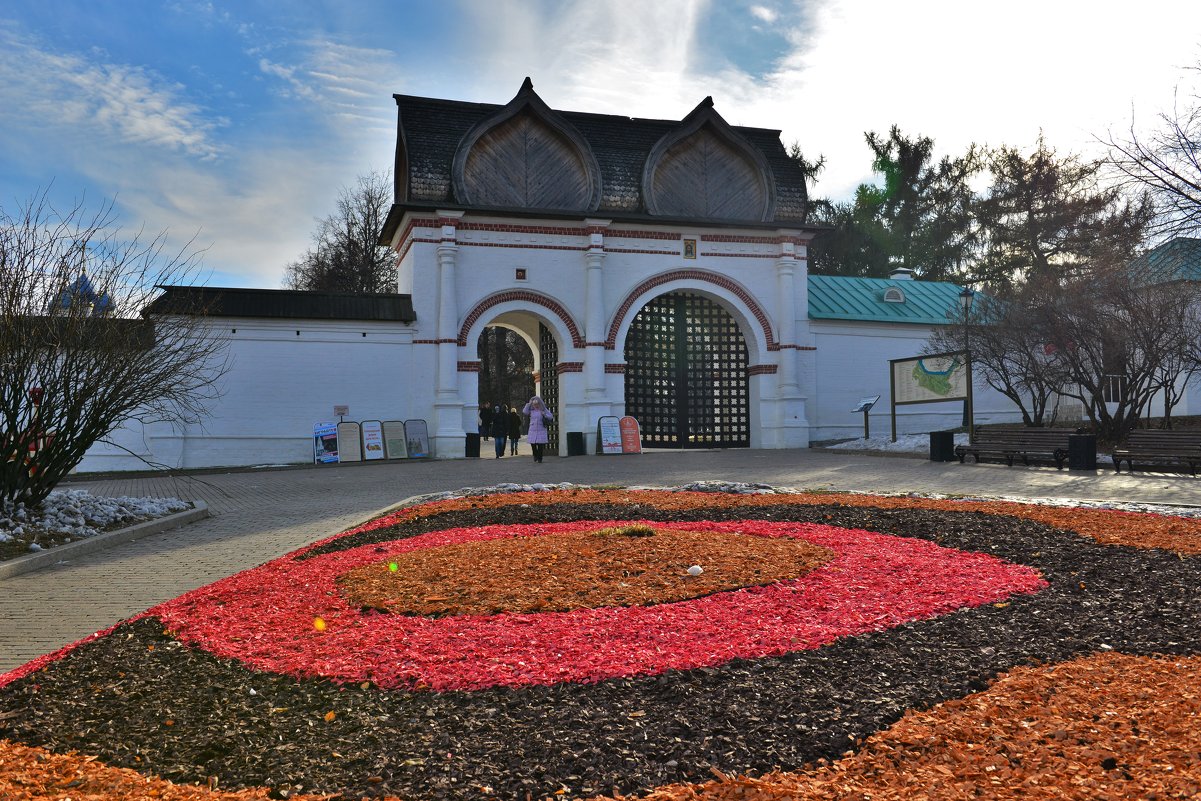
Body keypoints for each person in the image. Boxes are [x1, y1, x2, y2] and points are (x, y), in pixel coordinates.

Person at [522, 395, 553, 463]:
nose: (536, 405)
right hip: (533, 430)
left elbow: (550, 416)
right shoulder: (531, 410)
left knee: (540, 445)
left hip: (541, 429)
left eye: (537, 404)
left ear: (540, 404)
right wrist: (529, 403)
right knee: (533, 444)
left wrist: (544, 414)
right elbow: (524, 411)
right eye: (534, 404)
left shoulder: (543, 410)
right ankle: (535, 455)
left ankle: (540, 458)